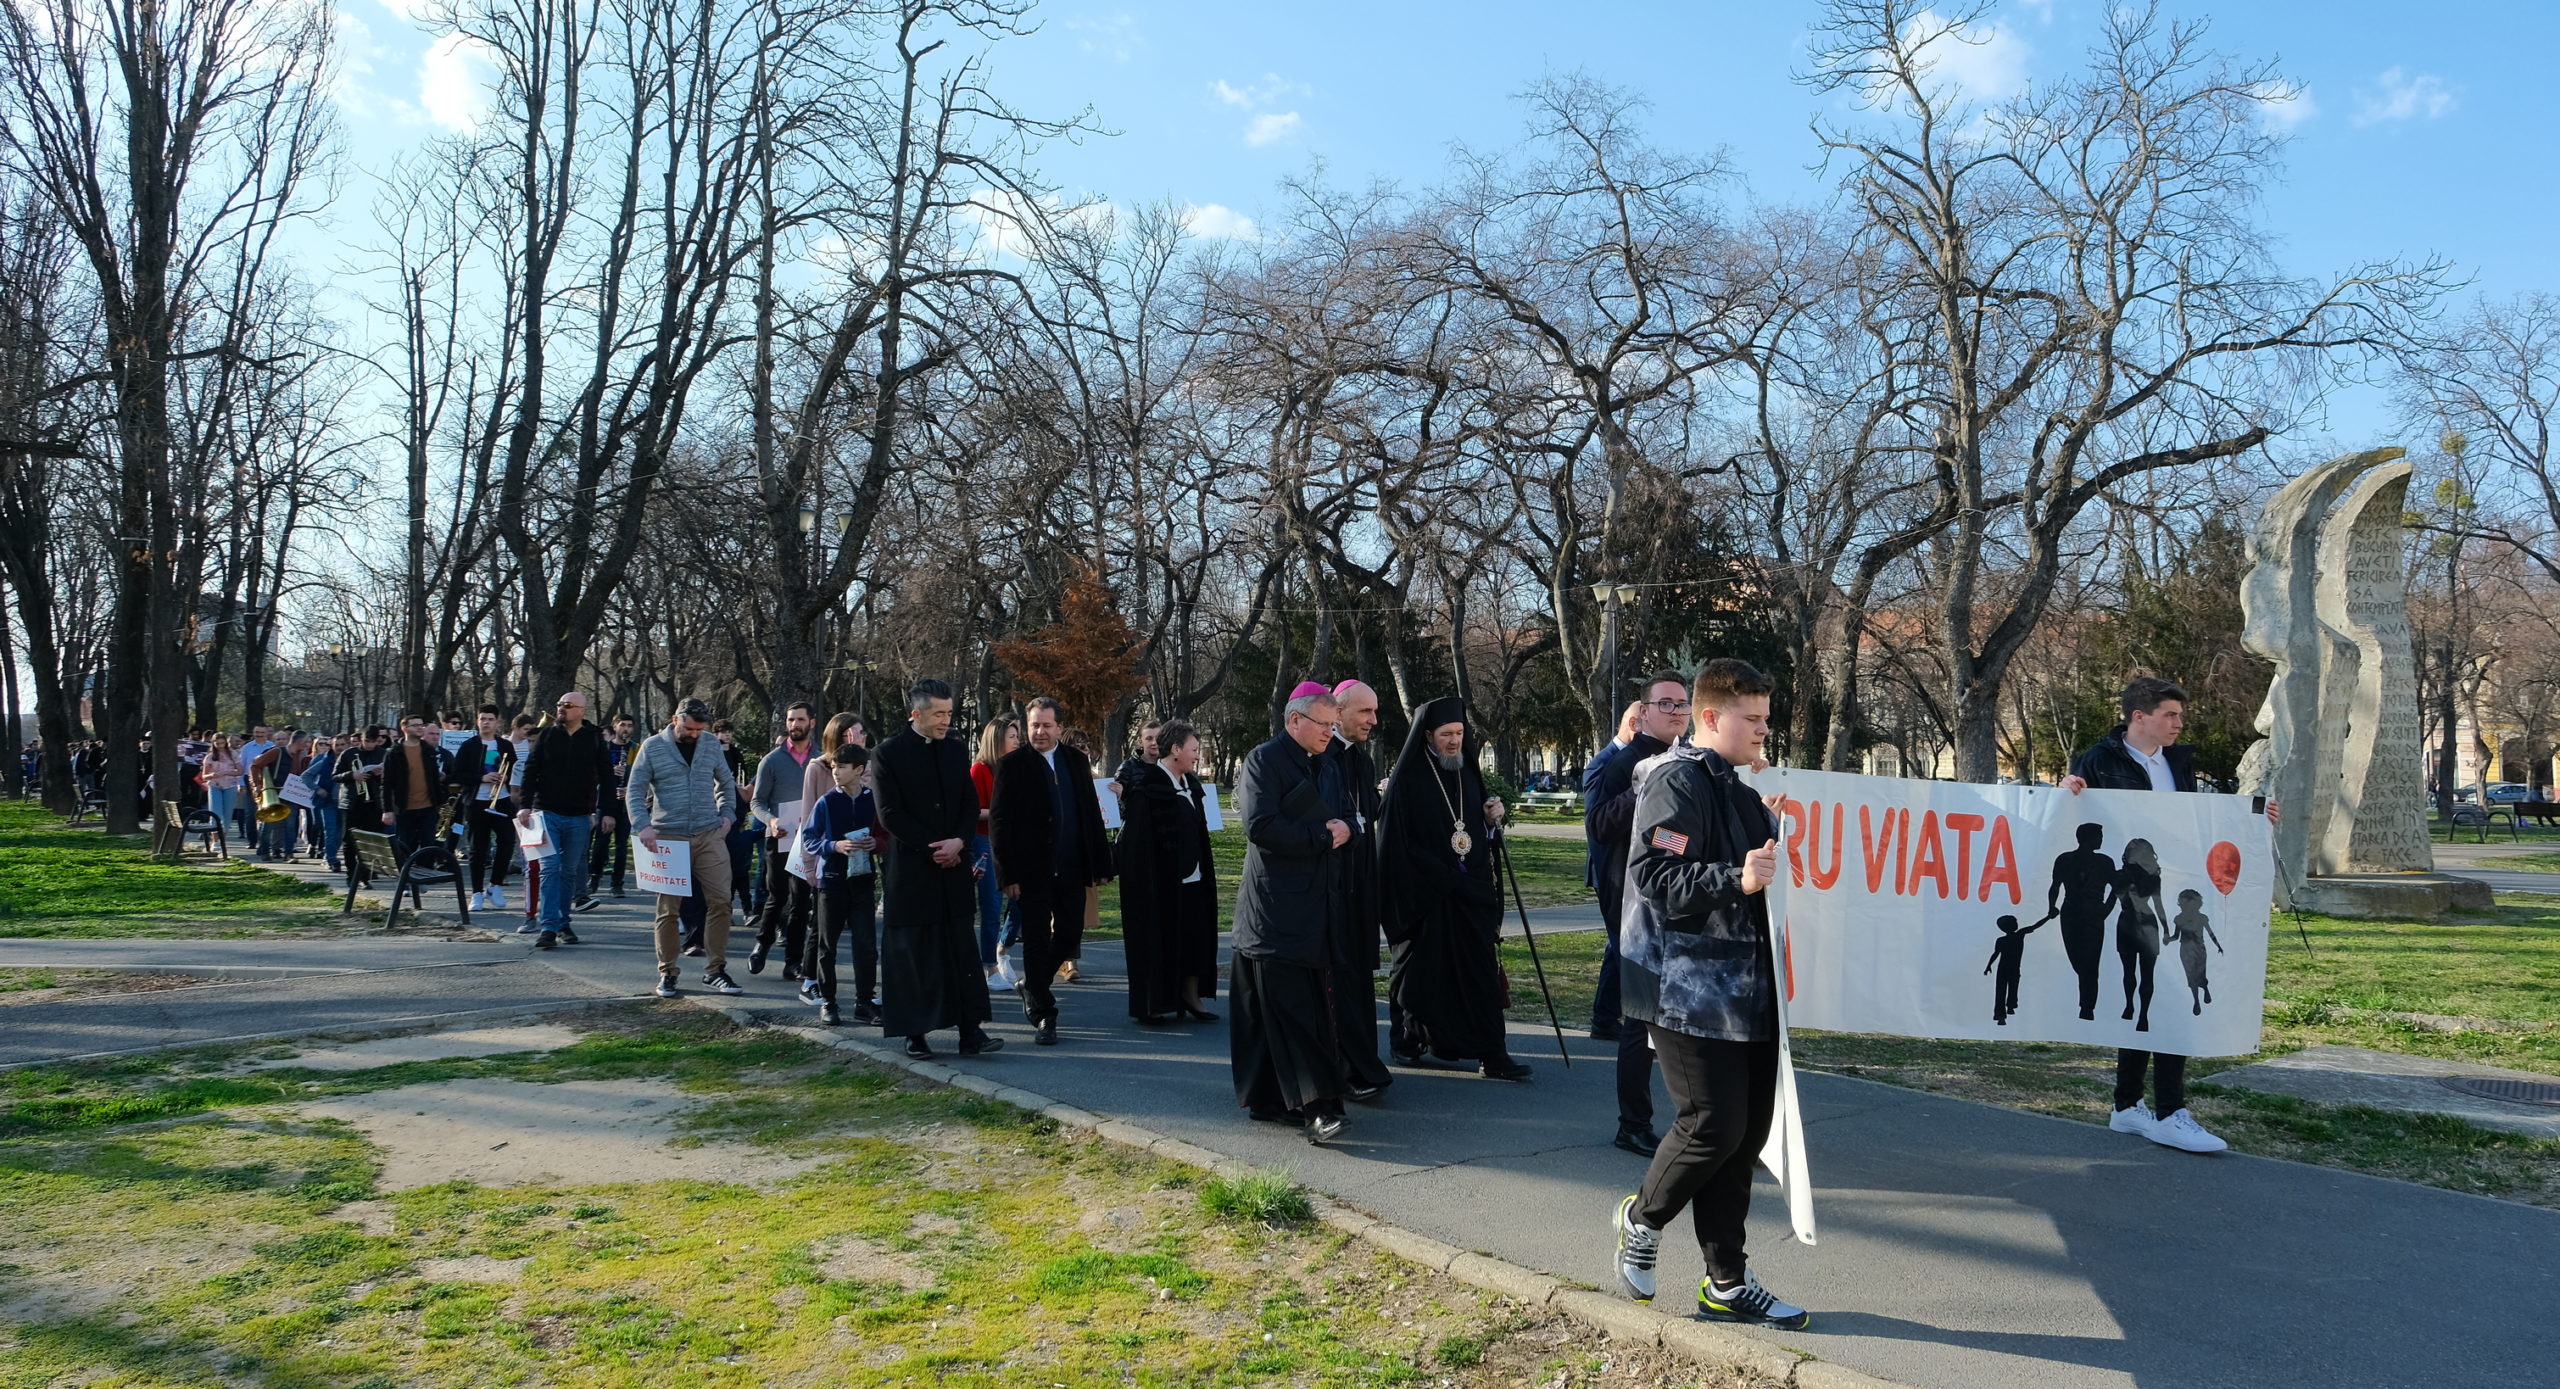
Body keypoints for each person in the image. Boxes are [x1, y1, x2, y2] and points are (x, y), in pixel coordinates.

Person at [1611, 658, 1811, 1331]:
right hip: (1684, 991)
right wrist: (1739, 874)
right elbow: (1657, 876)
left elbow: (1742, 868)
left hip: (1745, 993)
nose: (1765, 728)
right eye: (1752, 718)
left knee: (1744, 1136)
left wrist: (1766, 834)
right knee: (1713, 1124)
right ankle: (1641, 1218)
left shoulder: (1734, 786)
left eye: (1765, 716)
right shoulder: (1677, 778)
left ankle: (1726, 1281)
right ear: (1710, 717)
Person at [2062, 675, 2278, 1156]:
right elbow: (2072, 817)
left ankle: (2141, 1108)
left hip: (2173, 888)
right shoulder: (2098, 761)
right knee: (2153, 1001)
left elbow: (2198, 822)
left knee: (2166, 998)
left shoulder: (2178, 763)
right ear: (2139, 717)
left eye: (2179, 715)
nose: (2179, 723)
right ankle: (2156, 1110)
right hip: (2129, 903)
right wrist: (2066, 790)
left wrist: (2253, 818)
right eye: (2170, 715)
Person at [1229, 684, 1357, 1143]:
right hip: (1275, 909)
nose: (1330, 732)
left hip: (1317, 902)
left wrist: (1348, 829)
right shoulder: (1264, 760)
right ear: (1295, 721)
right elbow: (1260, 826)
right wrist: (1324, 837)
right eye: (1323, 724)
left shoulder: (1328, 763)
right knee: (1294, 1012)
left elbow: (1347, 817)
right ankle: (1317, 1108)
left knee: (1287, 1010)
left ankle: (1269, 1100)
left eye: (1333, 725)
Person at [1379, 697, 1529, 1081]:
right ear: (1427, 735)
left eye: (1459, 734)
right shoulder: (1407, 779)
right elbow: (1396, 843)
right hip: (1426, 898)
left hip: (1469, 895)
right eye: (1446, 734)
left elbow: (1475, 834)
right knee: (1419, 977)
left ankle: (1493, 1054)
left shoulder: (1468, 772)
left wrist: (1492, 821)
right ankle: (1409, 1039)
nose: (1453, 742)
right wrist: (1442, 875)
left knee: (1480, 973)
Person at [870, 678, 1003, 1059]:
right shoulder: (887, 754)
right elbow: (890, 813)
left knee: (959, 949)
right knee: (913, 953)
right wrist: (934, 846)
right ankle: (915, 1032)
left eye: (949, 712)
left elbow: (966, 804)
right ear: (917, 714)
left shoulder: (955, 750)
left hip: (953, 864)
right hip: (912, 869)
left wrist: (959, 841)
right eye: (939, 714)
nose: (947, 720)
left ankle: (970, 1031)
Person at [1585, 674, 1689, 1152]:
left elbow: (1668, 837)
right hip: (1629, 904)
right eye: (1664, 703)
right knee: (1640, 1018)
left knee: (1674, 1015)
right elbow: (1600, 826)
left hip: (1674, 899)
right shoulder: (1625, 761)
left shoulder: (1685, 761)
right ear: (1643, 711)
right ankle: (1633, 1123)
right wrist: (1644, 789)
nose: (1674, 712)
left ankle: (1699, 1123)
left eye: (1681, 704)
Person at [990, 697, 1114, 1047]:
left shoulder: (1075, 761)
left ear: (1059, 726)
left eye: (1046, 725)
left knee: (1070, 931)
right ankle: (1045, 1014)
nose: (1039, 732)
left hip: (1072, 866)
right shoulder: (1013, 765)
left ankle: (1032, 986)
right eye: (1034, 725)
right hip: (1031, 871)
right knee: (1035, 940)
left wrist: (1101, 863)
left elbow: (1090, 812)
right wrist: (1007, 874)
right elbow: (1000, 823)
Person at [629, 698, 740, 997]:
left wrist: (727, 815)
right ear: (675, 719)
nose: (694, 734)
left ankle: (715, 970)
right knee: (669, 908)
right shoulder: (652, 747)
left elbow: (726, 782)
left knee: (721, 901)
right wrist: (644, 825)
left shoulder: (710, 744)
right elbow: (635, 789)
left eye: (699, 729)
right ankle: (668, 972)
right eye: (689, 728)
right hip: (668, 836)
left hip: (709, 833)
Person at [1117, 718, 1219, 1024]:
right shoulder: (1147, 788)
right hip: (1159, 885)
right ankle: (1153, 1002)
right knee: (1159, 941)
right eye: (1194, 749)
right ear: (1175, 749)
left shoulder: (1191, 786)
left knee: (1195, 940)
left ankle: (1191, 995)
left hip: (1194, 879)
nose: (1197, 756)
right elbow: (1136, 847)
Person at [1325, 681, 1393, 1097]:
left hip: (1360, 885)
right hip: (1333, 887)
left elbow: (1368, 814)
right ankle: (1341, 1068)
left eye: (1375, 712)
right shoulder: (1322, 756)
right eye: (1364, 712)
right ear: (1338, 711)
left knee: (1356, 980)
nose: (1372, 720)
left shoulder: (1361, 761)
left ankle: (1362, 1062)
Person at [517, 691, 615, 951]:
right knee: (550, 868)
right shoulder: (548, 734)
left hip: (580, 815)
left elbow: (607, 776)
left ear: (582, 711)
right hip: (546, 812)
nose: (561, 708)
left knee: (569, 871)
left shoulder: (593, 738)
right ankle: (548, 926)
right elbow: (531, 770)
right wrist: (525, 806)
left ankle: (563, 922)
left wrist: (607, 811)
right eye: (559, 704)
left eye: (568, 705)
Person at [799, 744, 882, 1027]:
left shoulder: (874, 800)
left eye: (843, 767)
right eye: (834, 766)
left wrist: (876, 844)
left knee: (866, 944)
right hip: (831, 882)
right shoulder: (826, 802)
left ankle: (864, 1002)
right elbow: (808, 838)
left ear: (860, 770)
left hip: (862, 881)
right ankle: (829, 1001)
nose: (836, 771)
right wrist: (834, 845)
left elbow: (886, 834)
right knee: (827, 945)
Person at [749, 702, 821, 977]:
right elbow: (757, 801)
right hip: (779, 837)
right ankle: (761, 945)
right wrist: (771, 820)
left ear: (811, 722)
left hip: (808, 840)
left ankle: (793, 959)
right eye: (791, 720)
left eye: (800, 719)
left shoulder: (821, 758)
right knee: (777, 896)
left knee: (801, 900)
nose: (794, 725)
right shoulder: (772, 760)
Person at [969, 719, 1021, 984]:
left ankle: (1002, 949)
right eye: (1012, 736)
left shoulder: (1013, 768)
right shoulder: (980, 769)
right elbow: (972, 811)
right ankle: (988, 966)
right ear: (997, 738)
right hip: (984, 842)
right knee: (991, 904)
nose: (1017, 740)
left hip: (1011, 841)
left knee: (1018, 899)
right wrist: (1004, 813)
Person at [454, 706, 518, 910]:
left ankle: (495, 886)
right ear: (477, 721)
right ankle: (477, 893)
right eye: (483, 719)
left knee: (507, 842)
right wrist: (481, 778)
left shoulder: (505, 745)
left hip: (502, 799)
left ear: (497, 722)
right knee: (477, 850)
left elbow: (514, 769)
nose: (486, 722)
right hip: (476, 802)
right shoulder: (468, 746)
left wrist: (506, 778)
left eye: (490, 719)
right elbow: (457, 775)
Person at [378, 715, 452, 860]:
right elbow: (386, 784)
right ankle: (406, 878)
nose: (419, 728)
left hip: (428, 807)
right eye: (415, 725)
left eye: (421, 725)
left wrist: (441, 803)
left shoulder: (428, 751)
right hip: (405, 808)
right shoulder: (394, 753)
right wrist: (387, 810)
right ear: (404, 728)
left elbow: (434, 780)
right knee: (405, 846)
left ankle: (425, 877)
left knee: (429, 845)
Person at [586, 712, 639, 906]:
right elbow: (594, 774)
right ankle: (594, 877)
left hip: (626, 801)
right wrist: (610, 772)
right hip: (606, 799)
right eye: (622, 725)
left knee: (622, 845)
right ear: (615, 726)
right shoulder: (605, 747)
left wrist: (629, 780)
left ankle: (618, 883)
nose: (626, 729)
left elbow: (643, 773)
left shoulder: (636, 749)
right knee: (601, 841)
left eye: (629, 725)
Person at [201, 735, 243, 854]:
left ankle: (222, 839)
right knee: (215, 813)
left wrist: (227, 772)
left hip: (230, 786)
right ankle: (215, 841)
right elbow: (204, 776)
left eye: (222, 743)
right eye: (217, 743)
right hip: (215, 786)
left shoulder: (233, 754)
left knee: (227, 814)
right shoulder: (210, 756)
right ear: (213, 743)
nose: (220, 746)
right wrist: (212, 775)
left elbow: (240, 770)